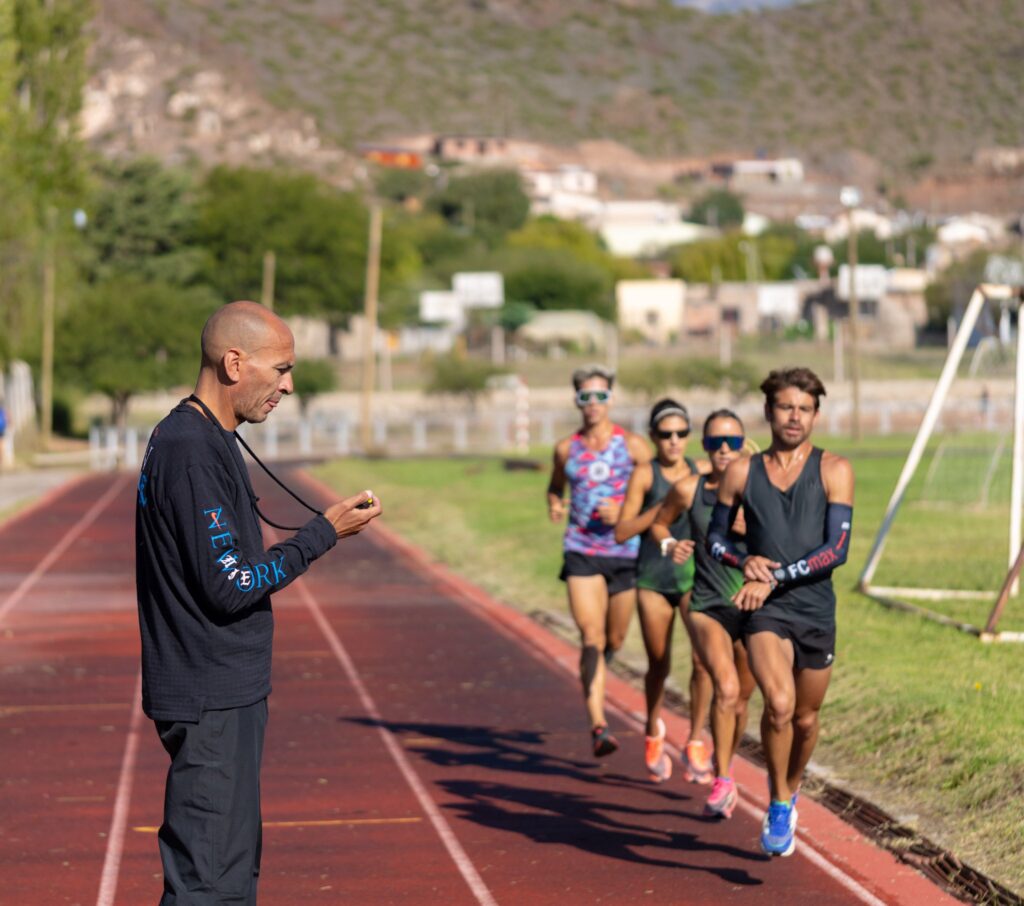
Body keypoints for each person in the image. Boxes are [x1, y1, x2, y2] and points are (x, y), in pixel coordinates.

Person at [135, 300, 382, 904]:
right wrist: (322, 535)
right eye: (281, 369)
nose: (289, 386)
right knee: (210, 885)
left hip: (221, 691)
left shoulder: (205, 436)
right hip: (210, 694)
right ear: (234, 362)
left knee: (228, 875)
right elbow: (232, 585)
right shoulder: (189, 449)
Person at [708, 367, 854, 857]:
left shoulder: (834, 469)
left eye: (804, 409)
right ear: (769, 410)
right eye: (786, 407)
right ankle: (774, 803)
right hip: (765, 614)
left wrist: (772, 576)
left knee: (807, 722)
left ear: (815, 415)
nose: (794, 417)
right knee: (780, 705)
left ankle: (790, 791)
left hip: (815, 610)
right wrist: (742, 559)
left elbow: (837, 549)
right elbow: (715, 538)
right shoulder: (741, 472)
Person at [651, 410, 756, 819]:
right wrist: (669, 546)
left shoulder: (760, 489)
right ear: (705, 447)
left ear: (744, 443)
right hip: (708, 604)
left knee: (743, 700)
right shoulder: (690, 488)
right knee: (725, 688)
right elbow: (660, 524)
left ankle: (723, 760)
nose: (724, 450)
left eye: (732, 441)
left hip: (750, 606)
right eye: (715, 442)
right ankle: (724, 777)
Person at [547, 364, 651, 758]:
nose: (593, 403)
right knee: (591, 637)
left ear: (610, 399)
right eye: (585, 396)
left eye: (600, 396)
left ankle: (597, 672)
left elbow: (657, 492)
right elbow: (555, 487)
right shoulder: (565, 449)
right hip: (582, 551)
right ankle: (599, 726)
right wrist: (555, 503)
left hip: (624, 552)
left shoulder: (634, 446)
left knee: (615, 639)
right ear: (576, 401)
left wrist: (625, 510)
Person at [614, 399, 713, 785]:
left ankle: (694, 740)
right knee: (659, 662)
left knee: (703, 661)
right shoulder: (644, 474)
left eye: (681, 434)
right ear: (654, 437)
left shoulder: (699, 470)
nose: (674, 441)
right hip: (653, 578)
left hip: (692, 576)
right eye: (666, 434)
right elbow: (622, 531)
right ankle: (654, 730)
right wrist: (663, 511)